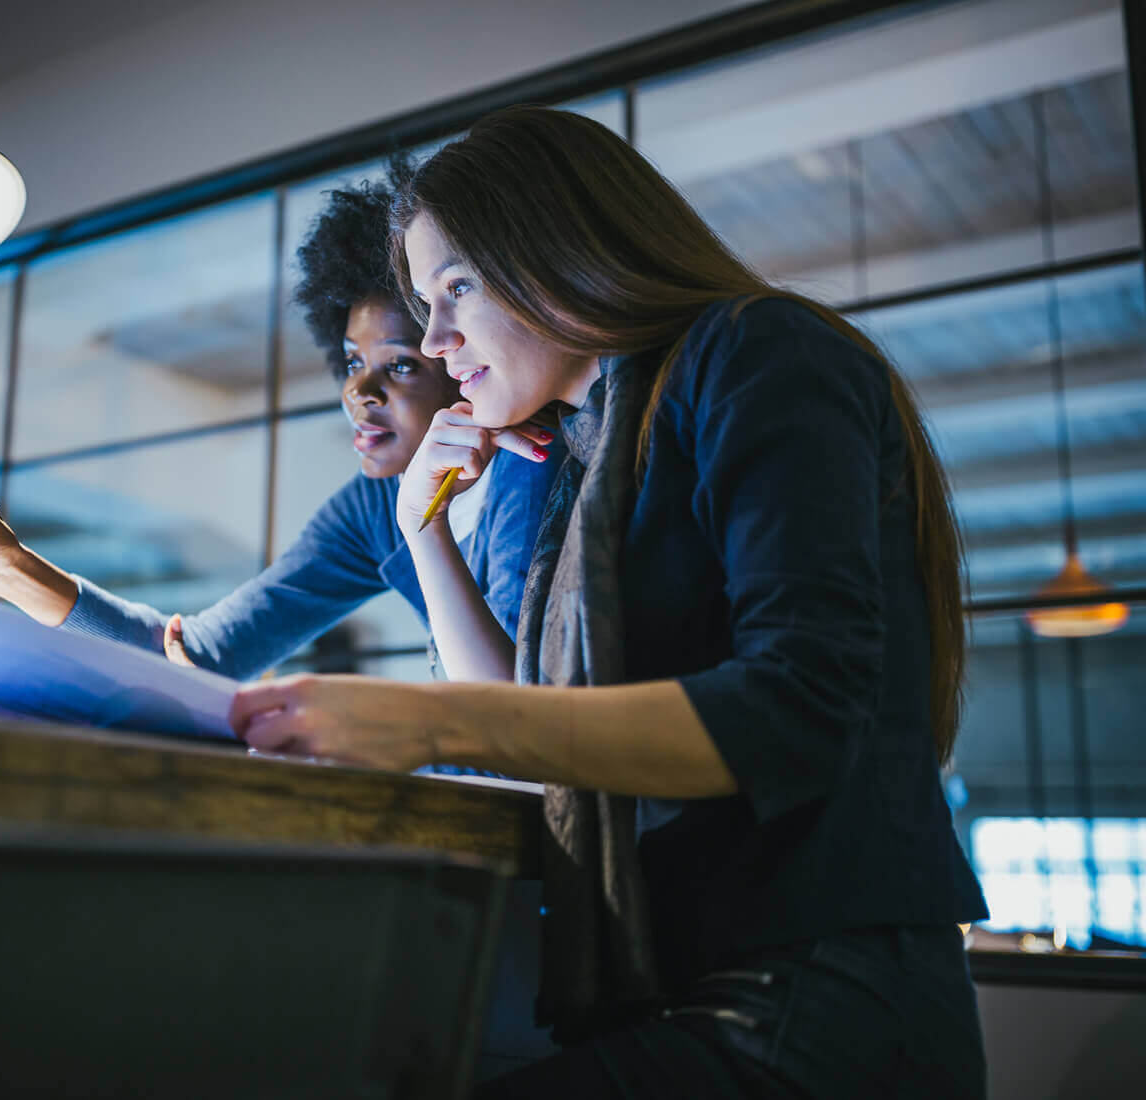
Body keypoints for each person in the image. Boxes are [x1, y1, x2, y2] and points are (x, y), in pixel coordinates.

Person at [226, 107, 989, 1098]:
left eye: (456, 288)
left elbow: (798, 704)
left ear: (557, 247)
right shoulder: (581, 448)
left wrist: (425, 718)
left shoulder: (757, 351)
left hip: (813, 985)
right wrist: (422, 529)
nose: (438, 337)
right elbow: (526, 730)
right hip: (690, 979)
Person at [0, 168, 558, 682]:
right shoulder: (376, 507)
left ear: (457, 356)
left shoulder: (534, 469)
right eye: (352, 362)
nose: (359, 390)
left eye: (401, 366)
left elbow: (514, 714)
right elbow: (199, 657)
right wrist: (3, 565)